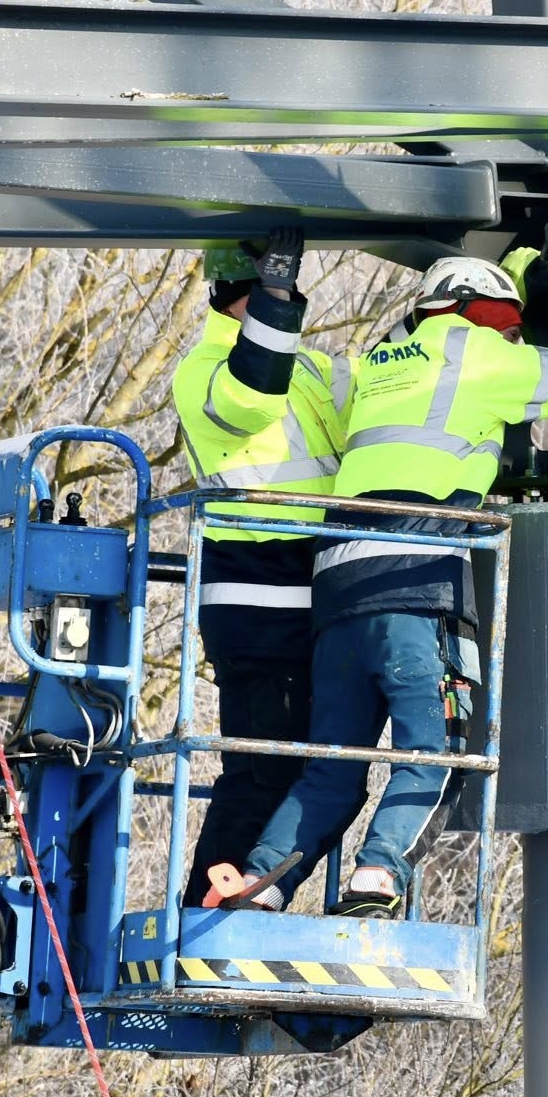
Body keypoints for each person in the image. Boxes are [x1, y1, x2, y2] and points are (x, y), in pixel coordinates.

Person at [201, 236, 548, 915]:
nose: (517, 337)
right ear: (481, 313)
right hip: (416, 587)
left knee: (332, 766)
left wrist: (503, 282)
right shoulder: (482, 353)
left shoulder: (379, 365)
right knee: (437, 751)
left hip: (336, 592)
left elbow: (420, 335)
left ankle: (259, 885)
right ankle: (377, 876)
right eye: (511, 323)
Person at [169, 228, 351, 907]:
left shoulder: (304, 367)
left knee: (315, 771)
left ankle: (246, 898)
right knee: (261, 770)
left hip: (310, 596)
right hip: (258, 600)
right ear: (238, 299)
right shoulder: (206, 369)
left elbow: (387, 391)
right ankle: (206, 910)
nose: (291, 309)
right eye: (276, 298)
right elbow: (251, 397)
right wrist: (275, 296)